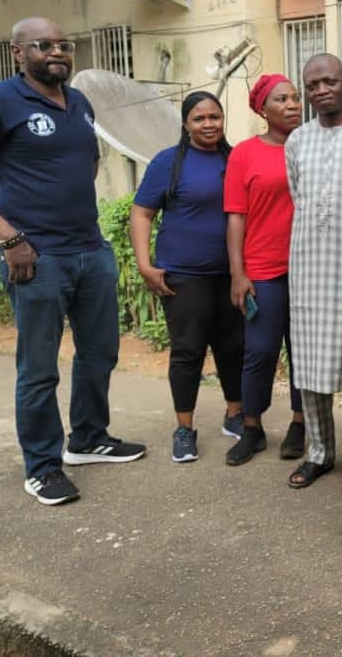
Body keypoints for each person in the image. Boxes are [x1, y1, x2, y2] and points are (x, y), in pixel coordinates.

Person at [0, 17, 146, 506]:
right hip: (37, 257)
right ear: (17, 53)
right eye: (43, 45)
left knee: (100, 353)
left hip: (90, 249)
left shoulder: (78, 101)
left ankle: (88, 438)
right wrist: (11, 238)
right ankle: (42, 465)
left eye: (64, 44)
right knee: (39, 369)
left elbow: (88, 160)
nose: (57, 51)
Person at [129, 92, 244, 463]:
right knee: (187, 352)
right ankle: (184, 428)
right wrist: (145, 265)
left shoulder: (235, 159)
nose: (208, 124)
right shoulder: (167, 163)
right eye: (199, 119)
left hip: (231, 274)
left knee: (233, 348)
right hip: (184, 275)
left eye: (215, 117)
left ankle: (235, 415)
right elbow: (142, 213)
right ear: (185, 124)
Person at [283, 54, 342, 489]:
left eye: (329, 81)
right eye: (312, 84)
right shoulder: (297, 140)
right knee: (311, 367)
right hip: (310, 269)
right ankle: (319, 453)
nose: (320, 90)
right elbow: (300, 194)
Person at [223, 74, 304, 466]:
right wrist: (238, 273)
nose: (292, 105)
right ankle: (251, 426)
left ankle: (302, 423)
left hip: (309, 268)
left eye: (295, 97)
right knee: (260, 350)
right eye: (281, 99)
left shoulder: (312, 144)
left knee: (305, 351)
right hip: (263, 268)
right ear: (263, 109)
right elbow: (236, 216)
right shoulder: (245, 153)